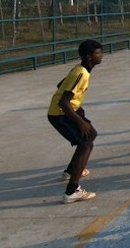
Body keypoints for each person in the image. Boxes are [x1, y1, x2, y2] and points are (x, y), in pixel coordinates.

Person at [47, 39, 103, 204]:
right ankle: (72, 190)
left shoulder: (80, 69)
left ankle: (70, 171)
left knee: (91, 134)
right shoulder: (81, 73)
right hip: (60, 114)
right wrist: (80, 121)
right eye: (98, 53)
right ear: (89, 56)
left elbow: (61, 84)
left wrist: (77, 106)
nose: (102, 55)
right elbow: (63, 102)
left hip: (68, 110)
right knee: (86, 143)